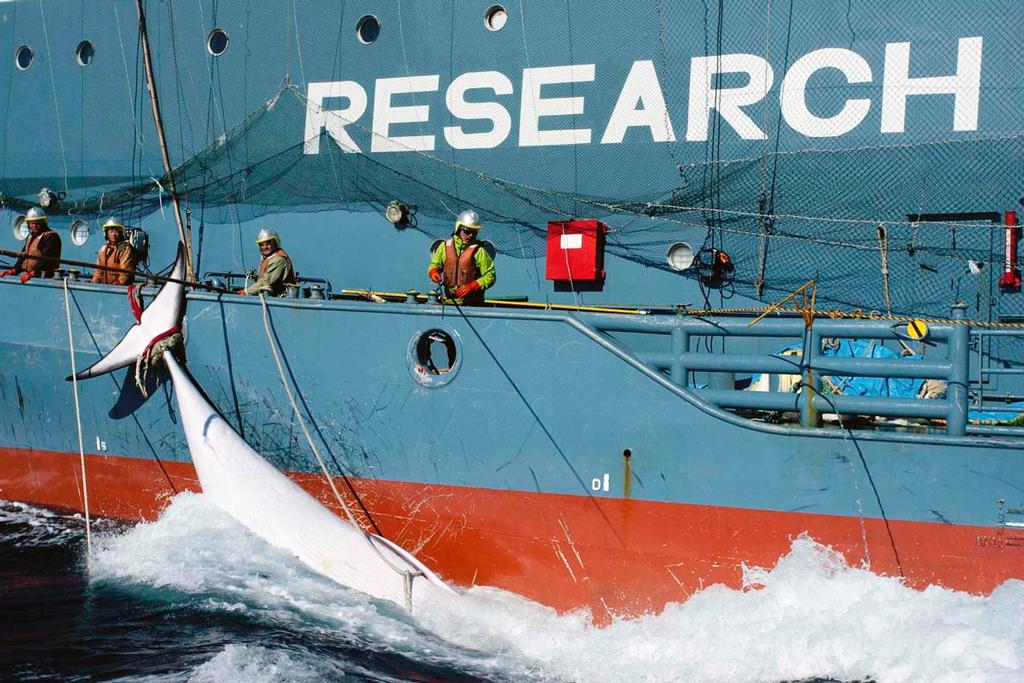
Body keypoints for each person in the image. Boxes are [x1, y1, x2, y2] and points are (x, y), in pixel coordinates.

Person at [427, 209, 496, 305]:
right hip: (449, 302)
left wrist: (473, 286)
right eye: (467, 231)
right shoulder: (444, 247)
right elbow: (435, 264)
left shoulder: (479, 251)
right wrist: (433, 272)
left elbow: (490, 275)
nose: (471, 235)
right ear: (458, 229)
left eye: (474, 232)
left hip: (473, 304)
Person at [0, 207, 62, 282]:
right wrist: (14, 270)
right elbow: (23, 255)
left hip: (44, 276)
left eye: (37, 223)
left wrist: (34, 273)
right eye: (32, 223)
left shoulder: (51, 237)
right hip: (31, 275)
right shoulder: (31, 236)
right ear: (28, 224)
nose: (34, 226)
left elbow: (45, 259)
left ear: (43, 223)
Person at [237, 228, 296, 296]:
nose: (265, 247)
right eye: (262, 245)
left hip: (279, 298)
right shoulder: (268, 258)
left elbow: (266, 282)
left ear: (275, 243)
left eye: (268, 244)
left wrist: (246, 291)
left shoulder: (278, 260)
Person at [92, 217, 137, 285]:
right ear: (106, 233)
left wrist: (120, 284)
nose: (113, 234)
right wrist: (94, 282)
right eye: (111, 231)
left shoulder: (125, 248)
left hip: (119, 289)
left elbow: (125, 270)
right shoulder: (103, 250)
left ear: (121, 232)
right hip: (105, 288)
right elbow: (98, 271)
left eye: (116, 231)